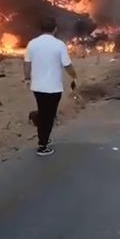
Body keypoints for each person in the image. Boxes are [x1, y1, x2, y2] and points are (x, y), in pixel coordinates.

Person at [24, 16, 77, 157]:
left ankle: (43, 133)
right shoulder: (59, 44)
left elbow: (27, 63)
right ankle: (42, 145)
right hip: (54, 87)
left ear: (40, 29)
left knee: (45, 112)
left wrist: (27, 78)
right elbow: (67, 65)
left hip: (37, 87)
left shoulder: (32, 44)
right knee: (49, 116)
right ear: (55, 29)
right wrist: (74, 75)